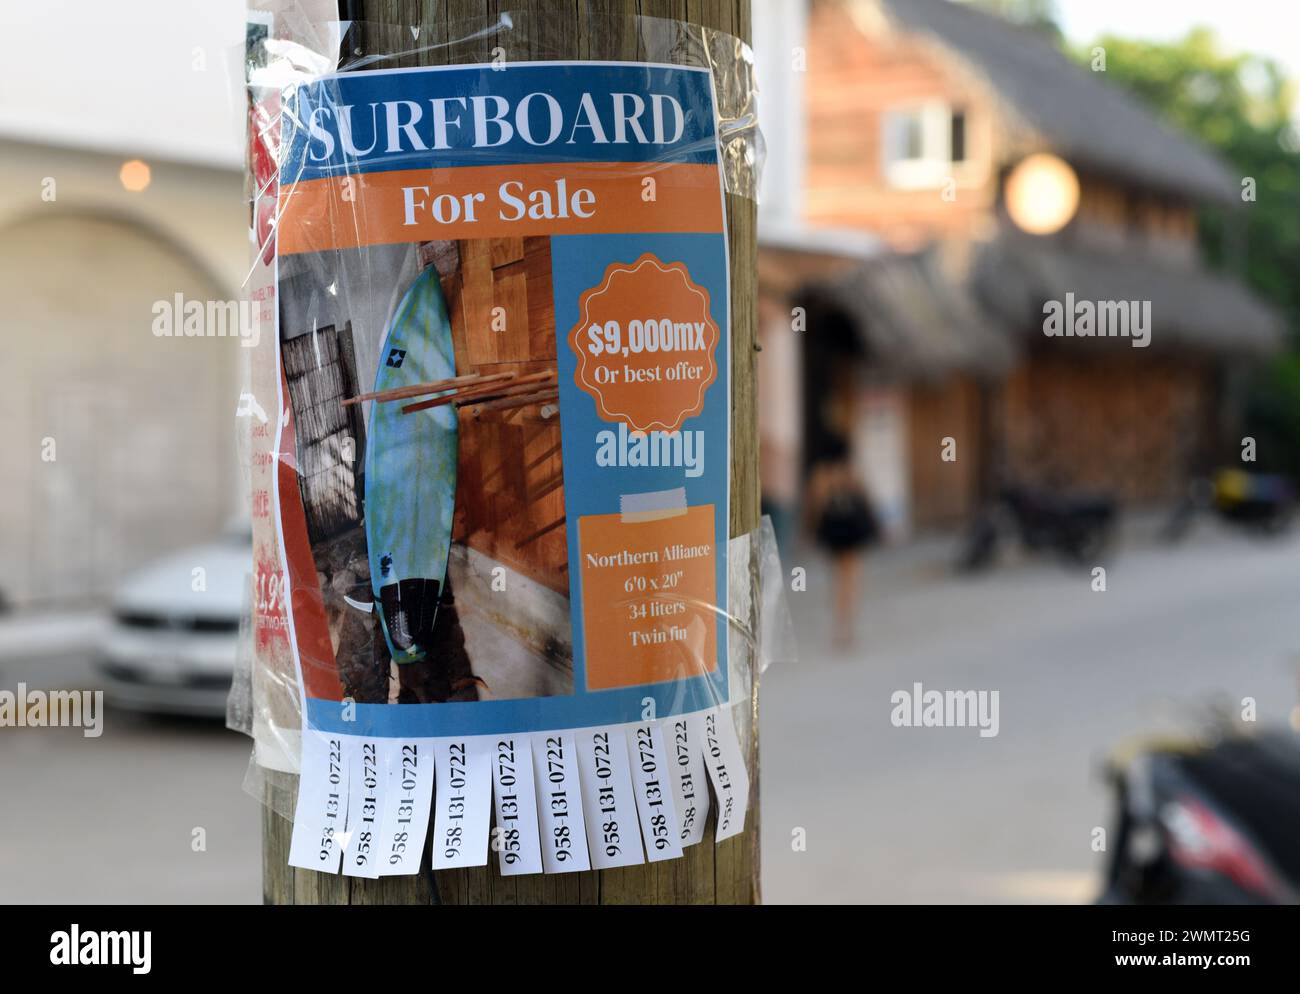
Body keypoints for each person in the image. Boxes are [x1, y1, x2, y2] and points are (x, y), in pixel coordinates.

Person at [806, 455, 879, 650]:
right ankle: (844, 625)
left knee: (843, 581)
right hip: (842, 535)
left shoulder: (826, 480)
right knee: (845, 581)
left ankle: (844, 625)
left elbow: (817, 510)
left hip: (842, 535)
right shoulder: (844, 479)